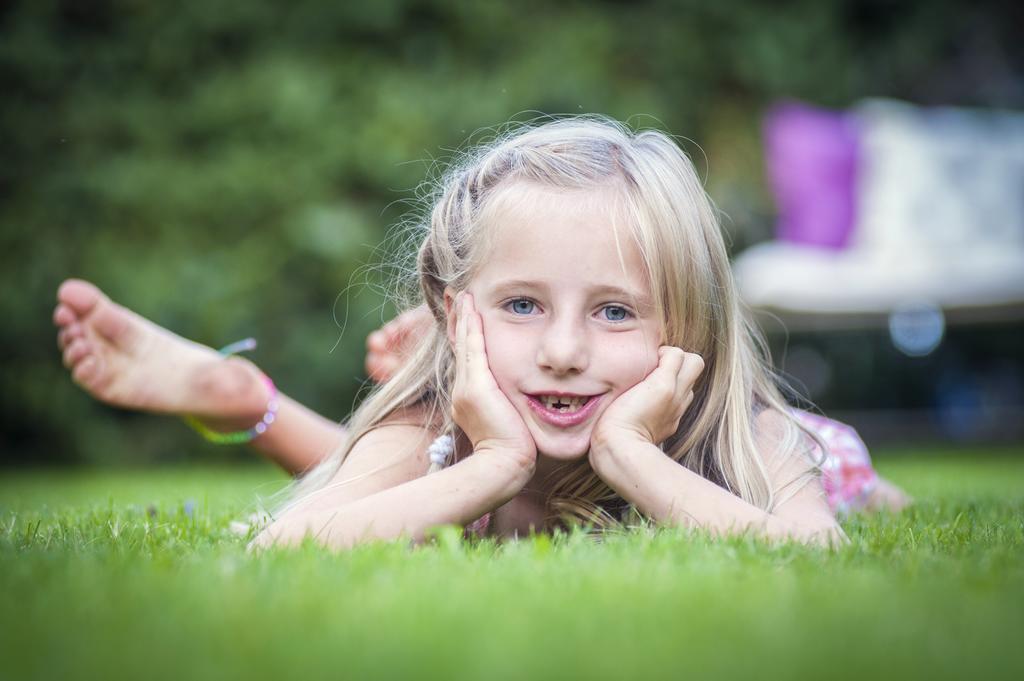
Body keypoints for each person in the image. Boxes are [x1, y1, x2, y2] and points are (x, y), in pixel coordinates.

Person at [53, 116, 910, 551]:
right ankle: (253, 406)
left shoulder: (753, 436)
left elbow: (817, 555)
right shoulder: (437, 423)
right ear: (450, 305)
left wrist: (632, 457)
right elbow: (286, 545)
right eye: (522, 305)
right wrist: (497, 465)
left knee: (873, 492)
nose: (564, 348)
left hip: (817, 456)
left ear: (688, 321)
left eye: (615, 310)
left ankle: (258, 408)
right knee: (415, 444)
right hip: (469, 428)